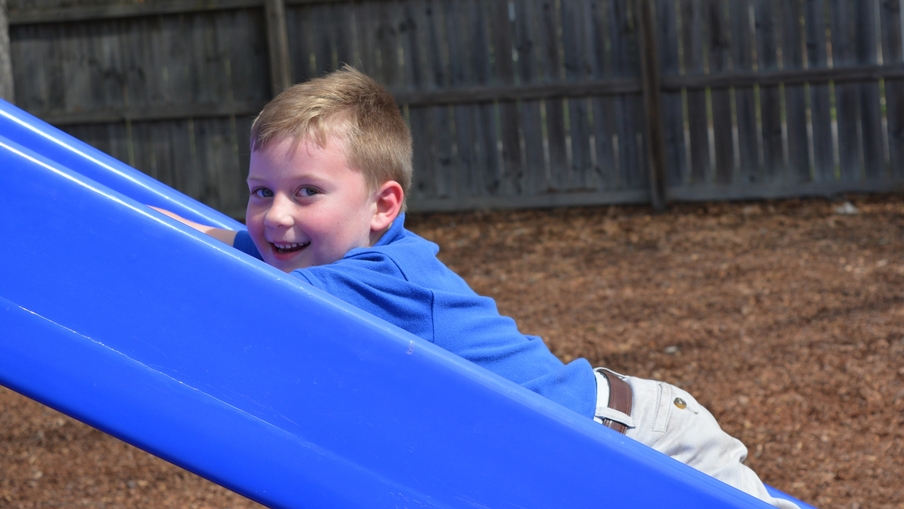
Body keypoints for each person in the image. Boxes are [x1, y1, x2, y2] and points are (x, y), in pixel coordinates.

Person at [155, 65, 799, 509]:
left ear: (383, 206)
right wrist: (156, 223)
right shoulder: (329, 258)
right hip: (579, 455)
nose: (277, 217)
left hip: (641, 439)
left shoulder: (380, 278)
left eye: (307, 192)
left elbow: (245, 298)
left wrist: (129, 243)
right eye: (260, 192)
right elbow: (232, 246)